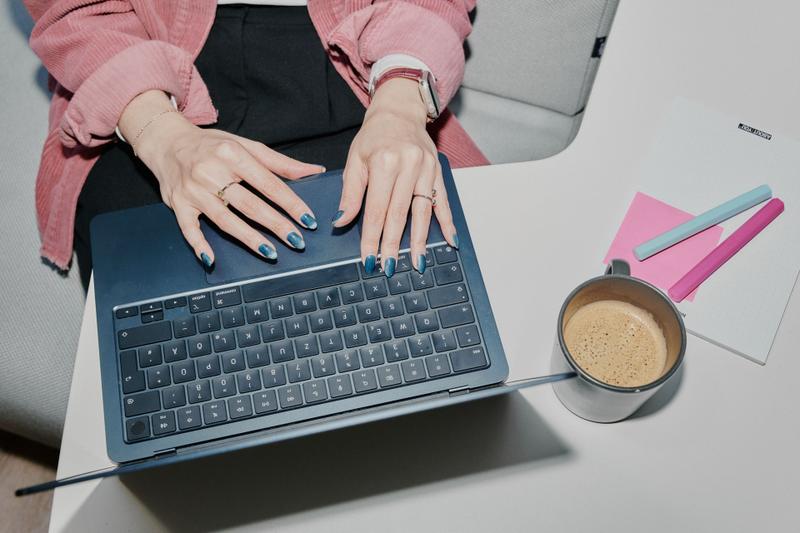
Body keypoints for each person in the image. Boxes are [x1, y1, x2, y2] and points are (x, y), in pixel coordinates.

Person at [25, 0, 489, 291]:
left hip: (357, 61)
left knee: (423, 318)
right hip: (144, 71)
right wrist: (160, 136)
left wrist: (400, 103)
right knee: (175, 362)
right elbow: (75, 11)